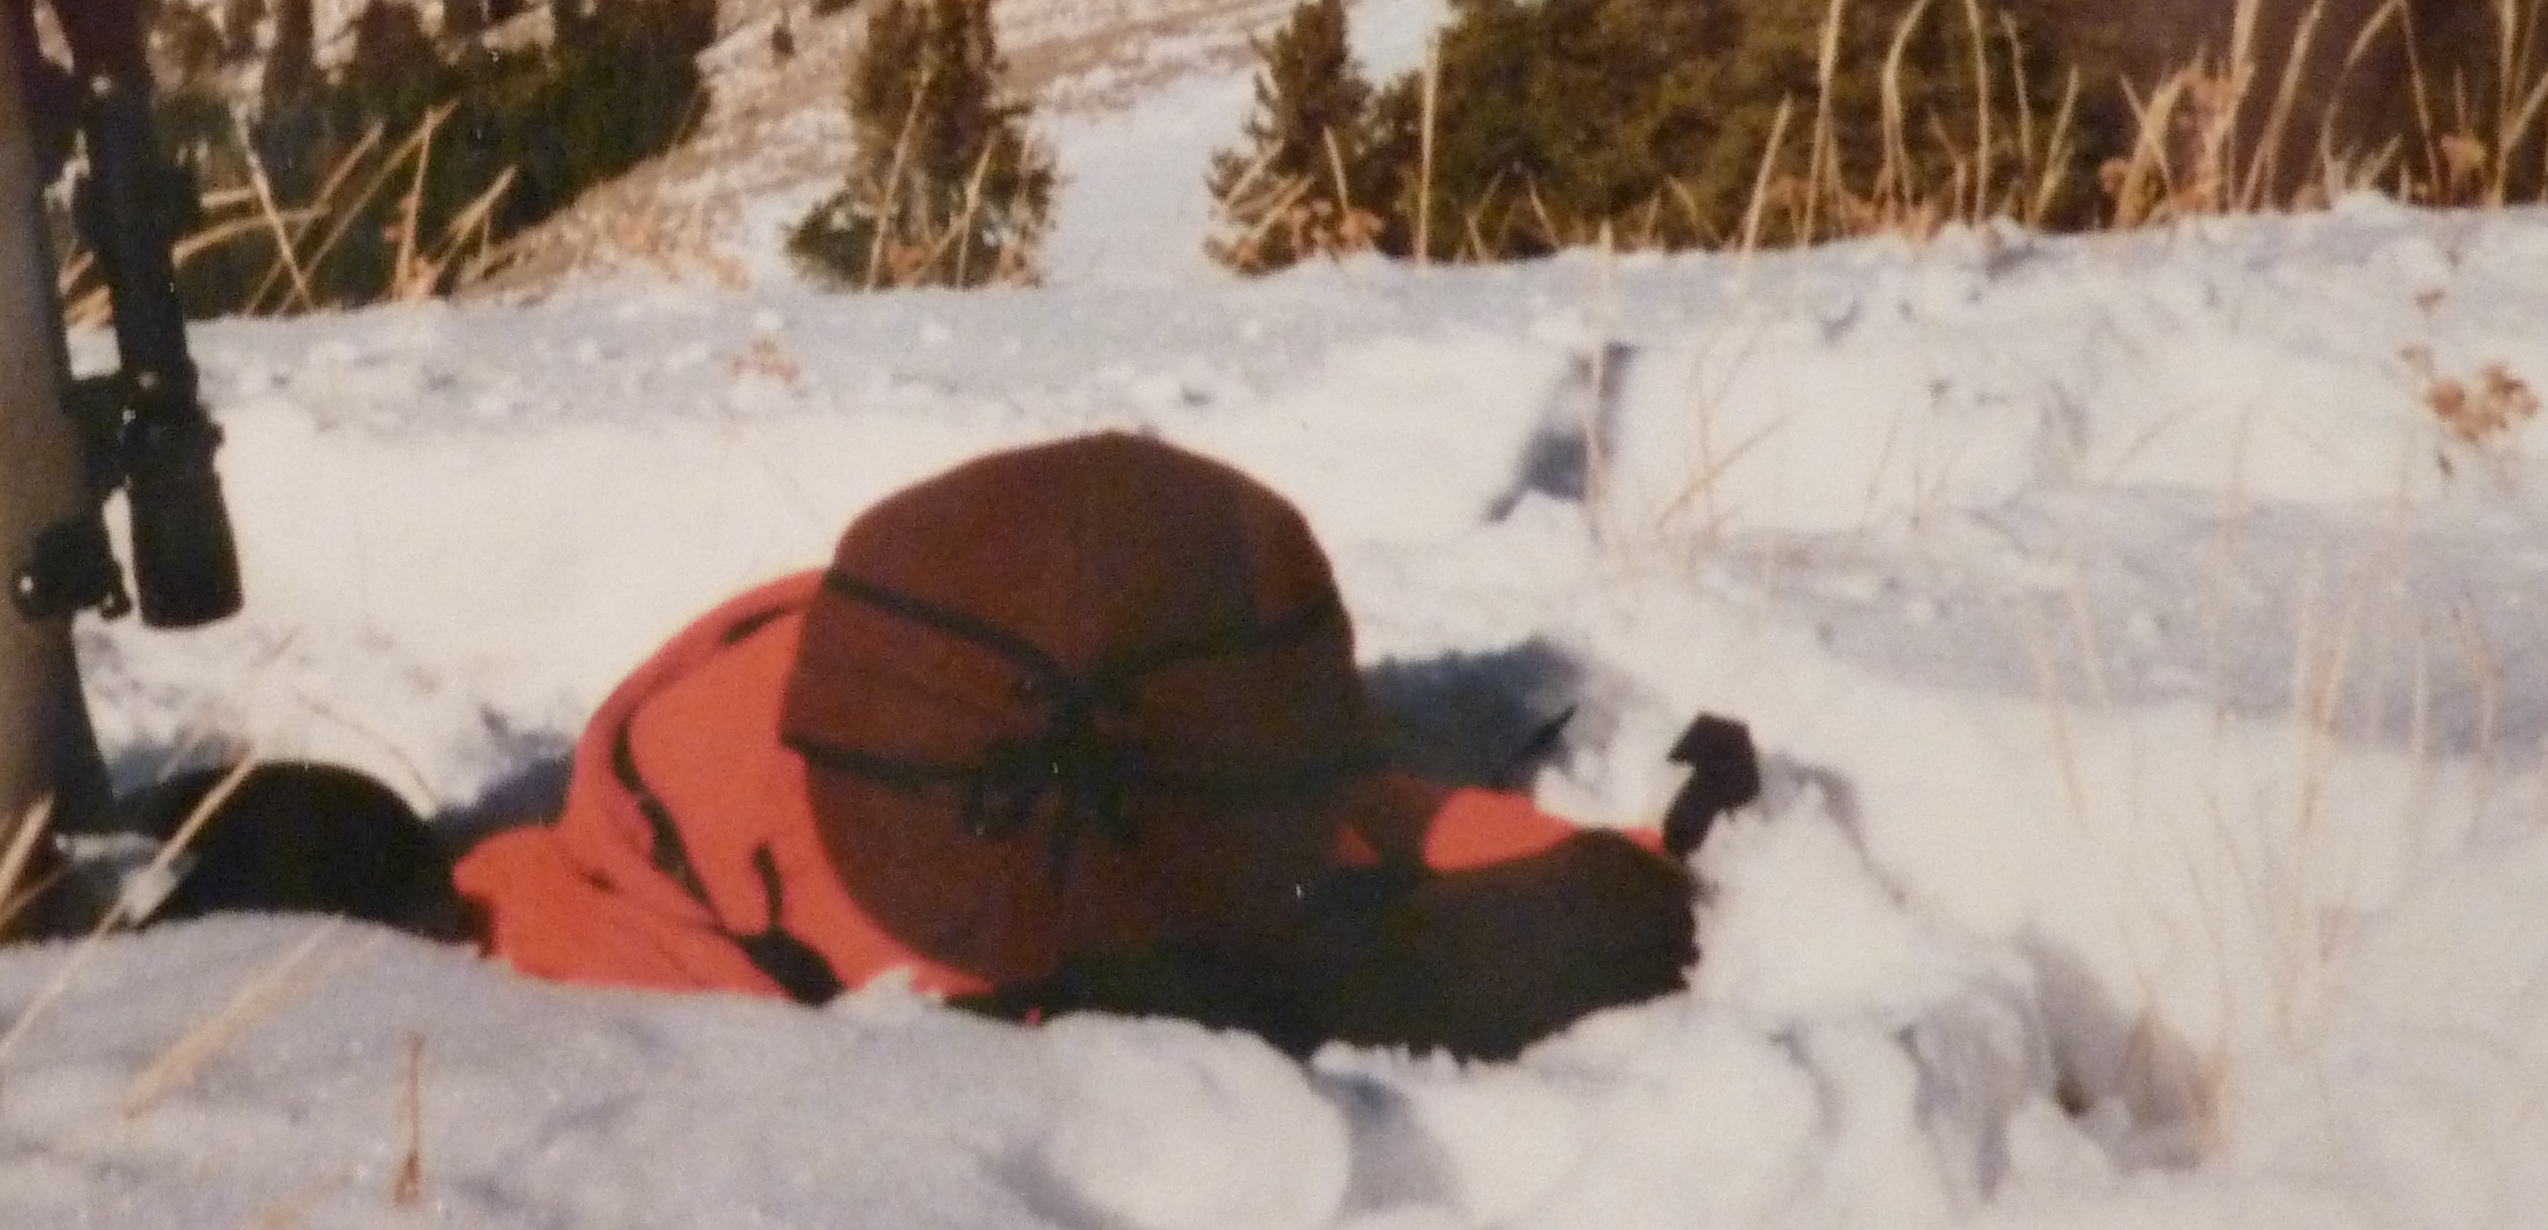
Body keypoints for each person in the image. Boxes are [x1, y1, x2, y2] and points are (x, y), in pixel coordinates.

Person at [144, 431, 1752, 1061]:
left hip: (1053, 770)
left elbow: (1356, 901)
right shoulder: (666, 732)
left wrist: (1628, 887)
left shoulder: (602, 968)